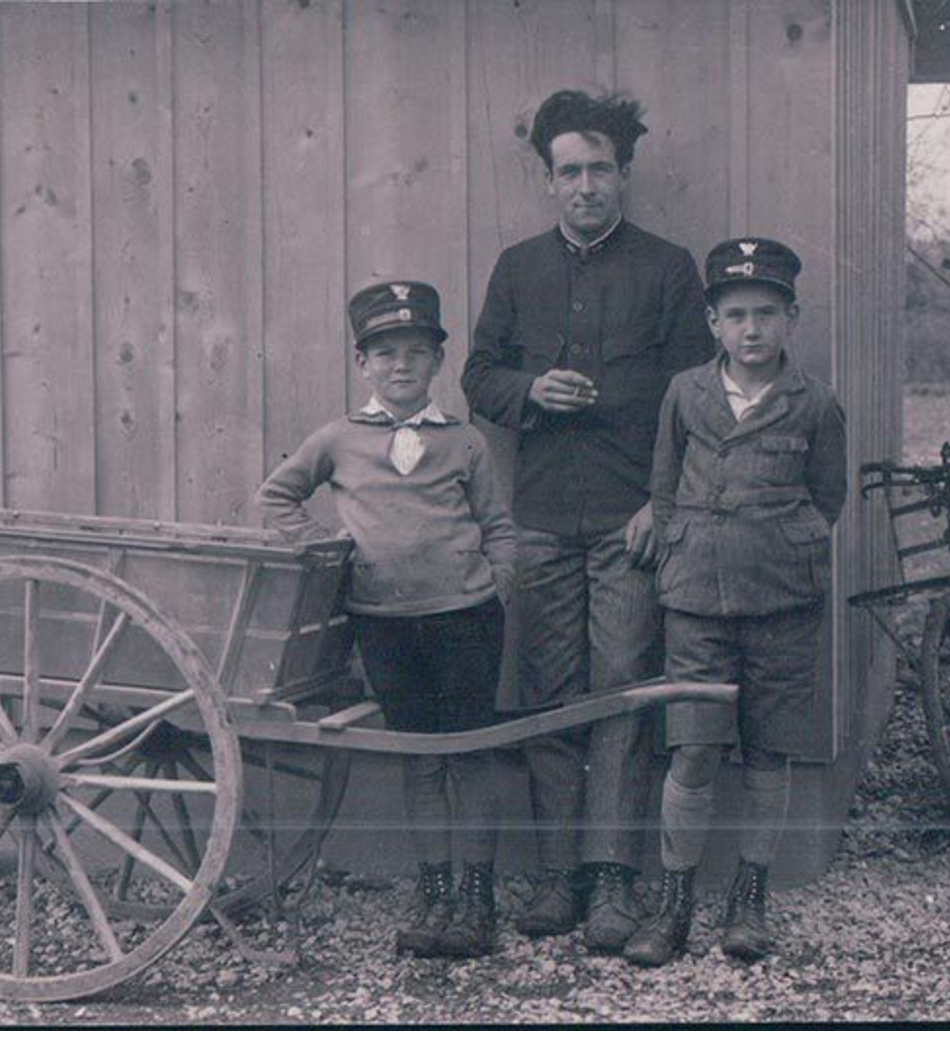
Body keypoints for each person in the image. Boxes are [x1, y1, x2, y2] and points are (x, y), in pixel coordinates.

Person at [461, 89, 714, 951]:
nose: (584, 187)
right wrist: (527, 390)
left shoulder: (668, 268)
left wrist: (660, 502)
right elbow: (477, 376)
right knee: (543, 695)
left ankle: (610, 881)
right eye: (567, 172)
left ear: (624, 174)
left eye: (599, 169)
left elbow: (696, 401)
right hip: (536, 519)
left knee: (618, 694)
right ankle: (555, 879)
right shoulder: (517, 268)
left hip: (628, 520)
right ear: (548, 183)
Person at [257, 280, 516, 959]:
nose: (401, 366)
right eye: (385, 353)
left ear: (435, 362)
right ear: (362, 363)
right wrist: (330, 558)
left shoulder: (462, 442)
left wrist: (497, 584)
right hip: (383, 623)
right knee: (418, 759)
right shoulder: (340, 439)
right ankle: (433, 892)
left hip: (464, 618)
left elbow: (498, 526)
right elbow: (278, 495)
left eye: (415, 352)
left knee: (469, 754)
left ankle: (476, 898)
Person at [623, 237, 846, 967]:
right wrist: (691, 539)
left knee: (768, 753)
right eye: (736, 315)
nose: (751, 329)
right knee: (691, 750)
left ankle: (749, 896)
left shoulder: (814, 402)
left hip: (782, 599)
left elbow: (826, 497)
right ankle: (674, 902)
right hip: (694, 599)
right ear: (713, 324)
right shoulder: (685, 392)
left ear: (790, 318)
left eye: (766, 314)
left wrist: (784, 541)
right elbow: (662, 487)